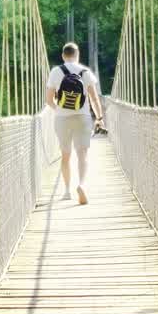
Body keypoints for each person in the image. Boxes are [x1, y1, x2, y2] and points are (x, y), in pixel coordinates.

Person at [45, 42, 105, 205]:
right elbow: (94, 98)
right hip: (83, 117)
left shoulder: (56, 72)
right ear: (77, 55)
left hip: (62, 119)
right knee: (82, 154)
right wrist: (99, 118)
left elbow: (49, 100)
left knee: (65, 155)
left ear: (63, 56)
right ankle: (82, 185)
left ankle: (66, 192)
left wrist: (59, 109)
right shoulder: (86, 72)